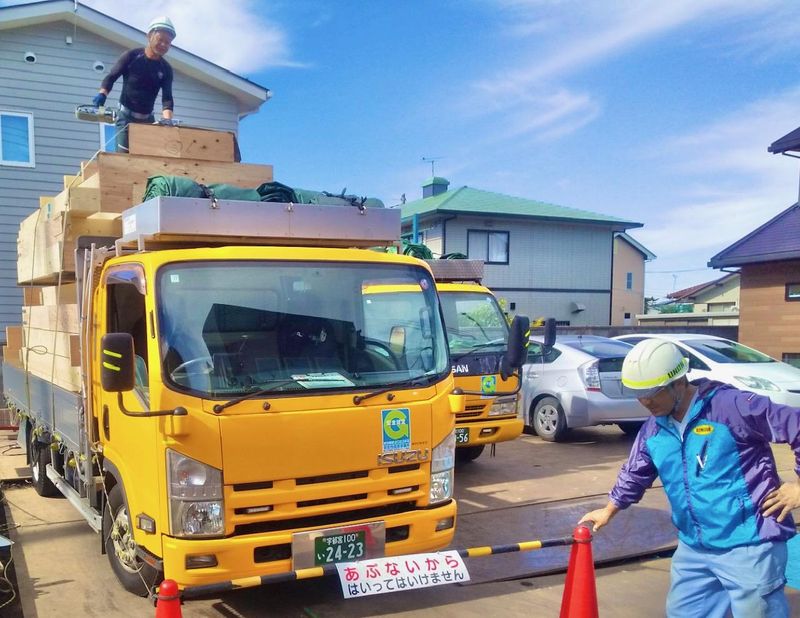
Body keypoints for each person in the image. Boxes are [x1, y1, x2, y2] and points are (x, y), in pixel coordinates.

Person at [579, 338, 800, 617]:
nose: (645, 400)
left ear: (679, 382)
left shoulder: (731, 407)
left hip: (749, 544)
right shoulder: (654, 429)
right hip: (695, 549)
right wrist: (610, 509)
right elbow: (636, 471)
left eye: (653, 391)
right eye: (638, 392)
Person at [92, 16, 176, 152]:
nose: (163, 45)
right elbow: (111, 77)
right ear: (149, 36)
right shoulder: (132, 56)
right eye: (160, 40)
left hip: (148, 120)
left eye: (168, 42)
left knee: (149, 158)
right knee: (124, 158)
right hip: (125, 118)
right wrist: (102, 94)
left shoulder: (165, 69)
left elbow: (167, 98)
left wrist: (167, 121)